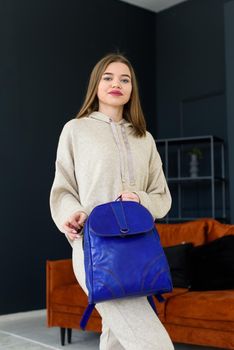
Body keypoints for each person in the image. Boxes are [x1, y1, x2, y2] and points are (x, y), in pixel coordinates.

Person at [49, 53, 174, 350]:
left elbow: (162, 196)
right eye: (108, 77)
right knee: (155, 344)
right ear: (96, 84)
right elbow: (63, 188)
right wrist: (72, 213)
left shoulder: (145, 139)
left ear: (132, 89)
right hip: (94, 251)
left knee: (115, 340)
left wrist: (140, 199)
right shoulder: (76, 130)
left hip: (138, 251)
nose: (116, 83)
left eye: (125, 79)